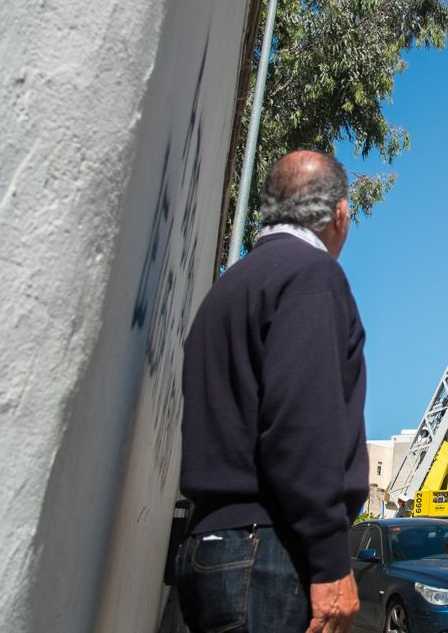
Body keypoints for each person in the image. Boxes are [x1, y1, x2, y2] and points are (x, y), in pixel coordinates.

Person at [176, 150, 368, 633]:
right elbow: (302, 425)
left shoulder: (230, 286)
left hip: (212, 545)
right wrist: (329, 562)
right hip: (269, 554)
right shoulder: (312, 275)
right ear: (339, 214)